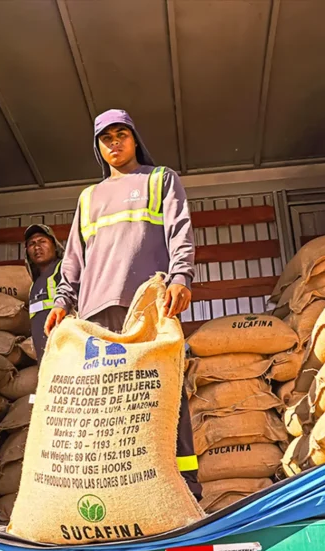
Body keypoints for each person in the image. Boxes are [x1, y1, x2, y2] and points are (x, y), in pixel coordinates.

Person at [44, 108, 201, 500]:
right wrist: (63, 300)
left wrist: (181, 276)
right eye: (106, 138)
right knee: (106, 399)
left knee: (164, 393)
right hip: (97, 312)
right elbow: (74, 259)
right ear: (98, 147)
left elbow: (179, 230)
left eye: (121, 134)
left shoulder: (160, 180)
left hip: (148, 305)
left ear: (134, 138)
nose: (115, 143)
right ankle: (117, 491)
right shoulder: (89, 197)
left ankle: (184, 486)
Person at [24, 223, 65, 362]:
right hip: (45, 356)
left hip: (65, 350)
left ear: (54, 245)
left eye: (42, 241)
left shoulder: (64, 269)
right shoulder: (34, 284)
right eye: (32, 244)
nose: (37, 247)